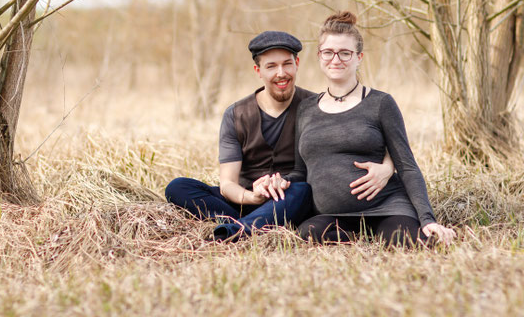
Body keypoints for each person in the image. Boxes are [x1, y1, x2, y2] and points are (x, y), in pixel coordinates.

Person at [165, 31, 395, 241]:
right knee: (179, 187)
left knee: (303, 190)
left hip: (292, 199)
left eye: (287, 64)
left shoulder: (318, 107)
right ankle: (248, 224)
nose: (281, 73)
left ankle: (236, 230)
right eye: (271, 66)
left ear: (297, 64)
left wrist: (387, 166)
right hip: (245, 198)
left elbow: (371, 138)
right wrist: (252, 197)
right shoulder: (236, 114)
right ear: (258, 71)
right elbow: (227, 184)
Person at [289, 11, 456, 247]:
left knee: (404, 240)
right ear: (319, 56)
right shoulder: (306, 109)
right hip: (334, 217)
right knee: (308, 234)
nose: (336, 59)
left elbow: (407, 165)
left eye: (345, 53)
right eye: (328, 52)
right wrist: (278, 182)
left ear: (359, 57)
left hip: (386, 206)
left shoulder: (380, 103)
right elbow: (300, 171)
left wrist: (428, 219)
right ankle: (361, 238)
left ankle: (386, 232)